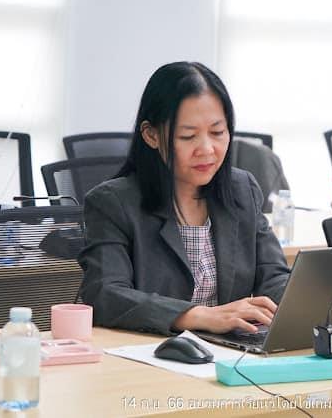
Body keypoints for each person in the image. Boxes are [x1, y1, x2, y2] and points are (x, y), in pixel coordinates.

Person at [78, 62, 290, 336]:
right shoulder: (113, 203)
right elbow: (105, 294)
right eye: (188, 136)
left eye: (217, 132)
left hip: (231, 350)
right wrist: (199, 316)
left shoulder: (242, 190)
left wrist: (312, 302)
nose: (207, 149)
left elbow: (273, 275)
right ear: (152, 135)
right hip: (152, 349)